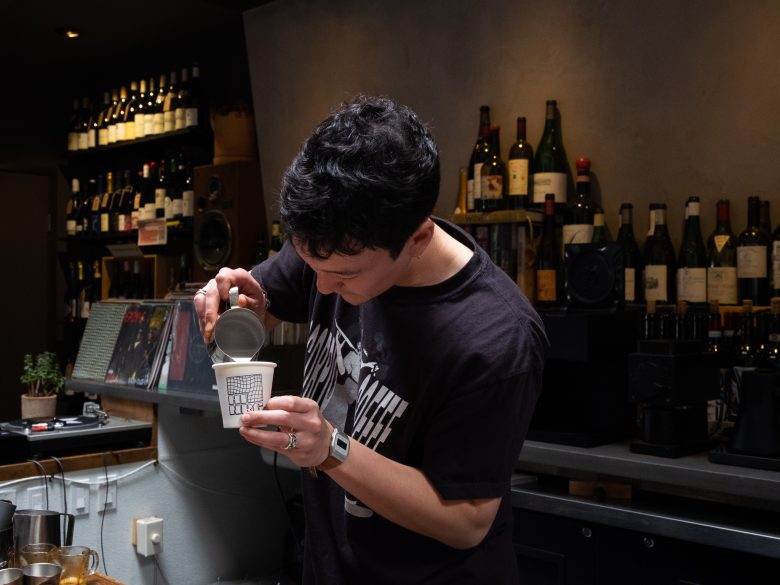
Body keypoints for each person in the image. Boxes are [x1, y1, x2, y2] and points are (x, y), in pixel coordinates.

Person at [194, 94, 548, 584]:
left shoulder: (496, 337)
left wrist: (330, 450)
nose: (320, 288)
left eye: (343, 276)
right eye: (311, 267)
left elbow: (467, 522)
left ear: (417, 240)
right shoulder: (332, 243)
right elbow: (250, 323)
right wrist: (228, 309)